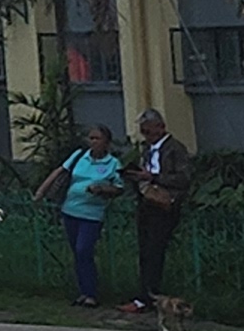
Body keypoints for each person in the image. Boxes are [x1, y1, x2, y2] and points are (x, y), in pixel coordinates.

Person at [38, 123, 125, 308]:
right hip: (70, 210)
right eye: (91, 138)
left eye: (97, 139)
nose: (93, 142)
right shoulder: (80, 156)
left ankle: (91, 292)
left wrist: (101, 189)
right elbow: (60, 171)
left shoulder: (113, 164)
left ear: (106, 142)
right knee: (77, 253)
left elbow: (119, 188)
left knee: (83, 249)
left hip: (92, 213)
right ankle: (84, 291)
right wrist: (41, 192)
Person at [128, 109, 189, 311]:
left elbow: (183, 178)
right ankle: (144, 294)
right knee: (145, 250)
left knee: (155, 250)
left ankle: (151, 295)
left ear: (161, 128)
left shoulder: (175, 149)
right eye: (144, 132)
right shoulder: (146, 149)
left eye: (150, 132)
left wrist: (153, 177)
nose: (147, 136)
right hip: (147, 201)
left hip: (165, 203)